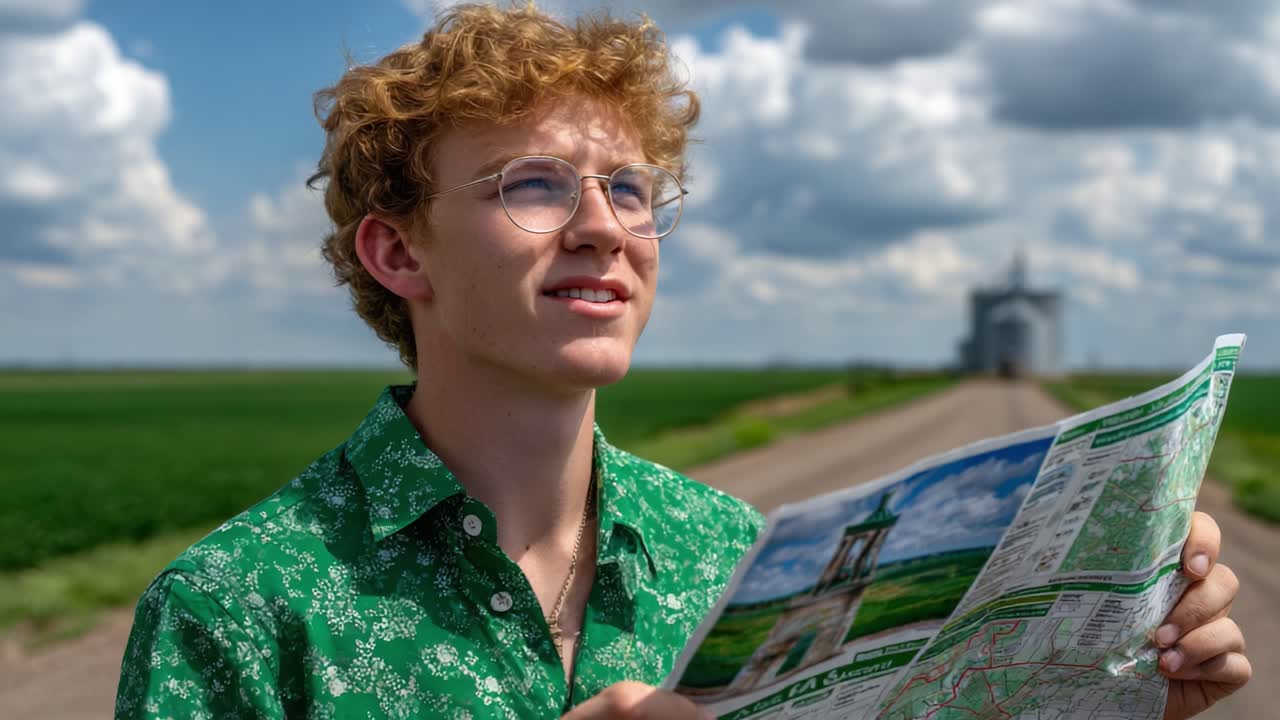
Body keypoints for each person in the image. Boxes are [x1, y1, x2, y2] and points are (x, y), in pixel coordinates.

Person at [114, 4, 1249, 719]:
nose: (603, 225)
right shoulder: (241, 613)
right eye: (532, 184)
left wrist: (1107, 692)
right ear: (396, 250)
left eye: (628, 189)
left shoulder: (733, 559)